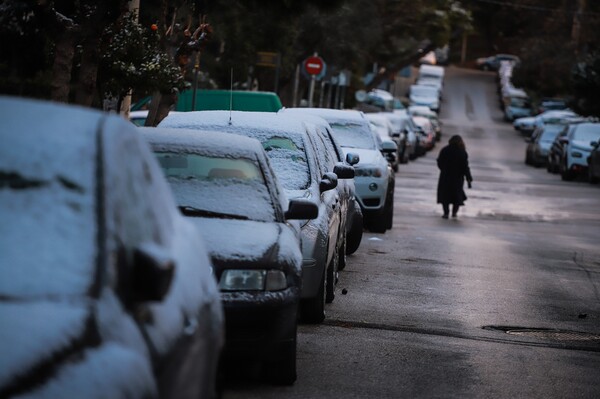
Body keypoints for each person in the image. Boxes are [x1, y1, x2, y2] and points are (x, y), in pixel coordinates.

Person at [437, 135, 473, 218]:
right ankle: (454, 212)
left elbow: (439, 162)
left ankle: (446, 212)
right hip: (457, 178)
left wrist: (443, 169)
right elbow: (465, 166)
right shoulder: (462, 152)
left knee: (445, 195)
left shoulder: (445, 150)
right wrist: (468, 177)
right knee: (456, 196)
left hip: (445, 176)